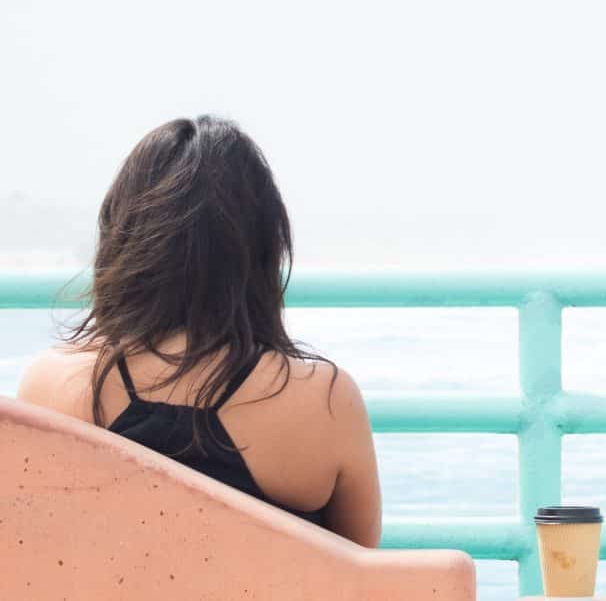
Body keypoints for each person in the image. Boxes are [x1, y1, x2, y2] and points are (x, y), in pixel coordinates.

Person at [16, 115, 382, 548]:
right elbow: (361, 573)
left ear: (124, 241)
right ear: (263, 252)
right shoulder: (324, 402)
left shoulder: (50, 386)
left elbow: (29, 555)